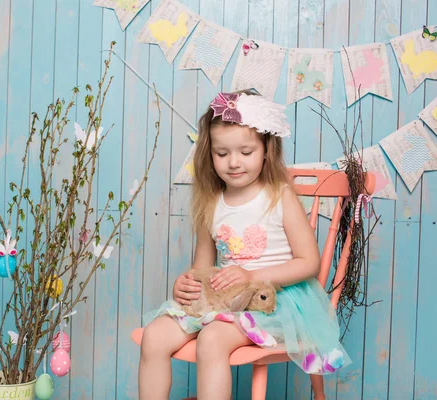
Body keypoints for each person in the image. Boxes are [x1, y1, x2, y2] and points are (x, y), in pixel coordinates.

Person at [138, 91, 350, 400]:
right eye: (222, 153)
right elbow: (203, 268)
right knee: (154, 336)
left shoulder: (279, 196)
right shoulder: (211, 202)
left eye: (246, 151)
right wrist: (186, 284)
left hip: (275, 302)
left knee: (212, 339)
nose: (233, 162)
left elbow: (308, 263)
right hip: (224, 301)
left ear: (266, 149)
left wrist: (251, 277)